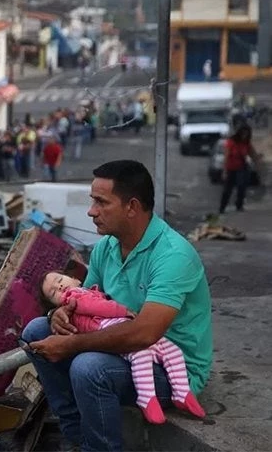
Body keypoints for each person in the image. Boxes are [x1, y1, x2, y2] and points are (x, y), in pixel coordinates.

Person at [23, 160, 213, 451]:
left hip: (169, 368)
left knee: (89, 367)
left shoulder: (173, 255)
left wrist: (72, 345)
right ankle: (76, 437)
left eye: (101, 202)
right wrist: (59, 313)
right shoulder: (105, 247)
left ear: (132, 207)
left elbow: (145, 334)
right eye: (92, 201)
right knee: (37, 329)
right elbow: (84, 304)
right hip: (124, 353)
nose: (91, 211)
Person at [38, 272, 206, 424]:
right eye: (54, 292)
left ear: (76, 278)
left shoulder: (85, 290)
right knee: (140, 354)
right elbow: (98, 307)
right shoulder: (75, 296)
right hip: (110, 328)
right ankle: (147, 398)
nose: (59, 286)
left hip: (132, 331)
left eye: (59, 279)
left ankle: (182, 392)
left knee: (172, 350)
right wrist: (124, 310)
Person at [219, 125, 258, 214]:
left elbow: (252, 153)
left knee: (242, 186)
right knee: (227, 189)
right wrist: (224, 171)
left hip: (242, 168)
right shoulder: (231, 142)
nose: (244, 136)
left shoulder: (246, 143)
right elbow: (226, 156)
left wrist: (256, 161)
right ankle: (222, 207)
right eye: (243, 134)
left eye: (246, 134)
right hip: (231, 167)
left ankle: (239, 205)